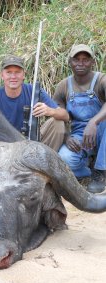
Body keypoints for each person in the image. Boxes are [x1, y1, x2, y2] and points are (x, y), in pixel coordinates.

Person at [0, 54, 69, 151]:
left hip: (32, 141)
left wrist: (50, 111)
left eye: (17, 72)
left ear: (23, 75)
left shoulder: (34, 91)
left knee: (57, 123)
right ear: (2, 75)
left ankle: (46, 161)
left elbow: (66, 116)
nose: (13, 76)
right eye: (9, 72)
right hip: (6, 147)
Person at [54, 44, 106, 193]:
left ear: (93, 62)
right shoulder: (63, 86)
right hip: (79, 135)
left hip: (102, 130)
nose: (81, 63)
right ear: (70, 62)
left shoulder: (101, 80)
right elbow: (58, 116)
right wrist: (66, 137)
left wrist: (93, 121)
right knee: (65, 160)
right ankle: (89, 167)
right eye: (76, 59)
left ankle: (100, 173)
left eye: (85, 59)